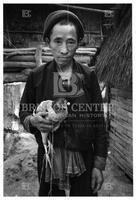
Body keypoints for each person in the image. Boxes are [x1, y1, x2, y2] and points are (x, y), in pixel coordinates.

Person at [19, 10, 108, 196]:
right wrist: (33, 121)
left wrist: (99, 164)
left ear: (78, 43)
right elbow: (23, 113)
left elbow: (99, 121)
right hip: (49, 156)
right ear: (47, 42)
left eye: (71, 42)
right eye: (57, 41)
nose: (64, 49)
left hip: (84, 156)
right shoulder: (37, 77)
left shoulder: (88, 76)